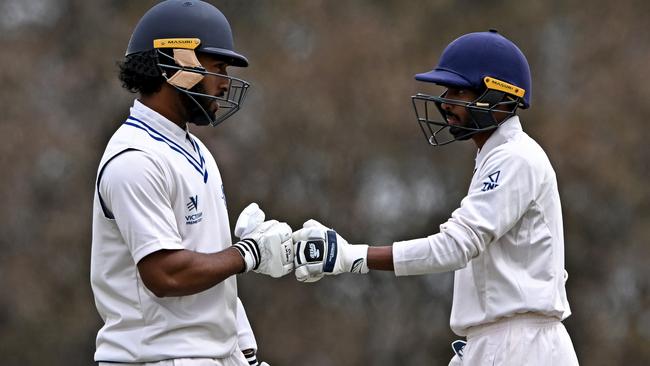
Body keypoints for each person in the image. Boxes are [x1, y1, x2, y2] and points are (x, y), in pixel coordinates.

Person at [292, 30, 579, 365]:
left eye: (457, 90)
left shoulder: (515, 159)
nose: (444, 102)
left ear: (498, 97)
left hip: (520, 346)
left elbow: (454, 247)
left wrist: (352, 256)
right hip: (505, 341)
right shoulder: (499, 157)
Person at [90, 1, 293, 365]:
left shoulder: (193, 149)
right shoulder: (135, 159)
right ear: (177, 64)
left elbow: (212, 278)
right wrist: (248, 253)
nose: (225, 82)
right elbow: (165, 274)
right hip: (152, 358)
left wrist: (243, 352)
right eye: (217, 67)